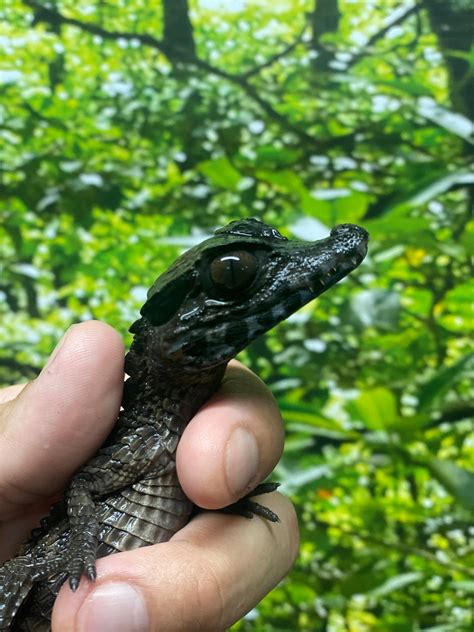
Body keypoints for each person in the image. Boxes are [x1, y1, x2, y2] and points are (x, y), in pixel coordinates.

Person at [0, 321, 298, 632]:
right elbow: (83, 484)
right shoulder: (147, 436)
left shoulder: (174, 442)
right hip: (39, 588)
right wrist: (82, 544)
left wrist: (219, 501)